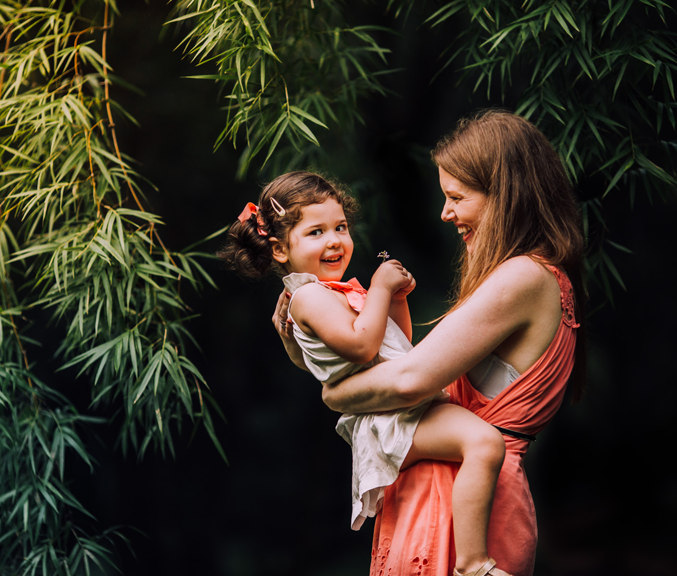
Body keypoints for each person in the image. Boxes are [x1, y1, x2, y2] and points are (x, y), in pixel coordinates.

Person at [272, 110, 586, 576]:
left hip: (469, 506)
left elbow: (410, 380)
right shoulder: (535, 276)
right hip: (457, 486)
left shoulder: (522, 276)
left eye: (456, 197)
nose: (445, 212)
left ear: (505, 196)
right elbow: (398, 356)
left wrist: (336, 394)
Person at [219, 171, 511, 576]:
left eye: (340, 227)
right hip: (387, 421)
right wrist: (378, 286)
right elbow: (362, 347)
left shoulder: (334, 293)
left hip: (398, 407)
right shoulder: (307, 296)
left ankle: (468, 555)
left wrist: (395, 300)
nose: (335, 239)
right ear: (282, 250)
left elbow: (396, 347)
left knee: (482, 442)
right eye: (316, 232)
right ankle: (473, 564)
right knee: (484, 443)